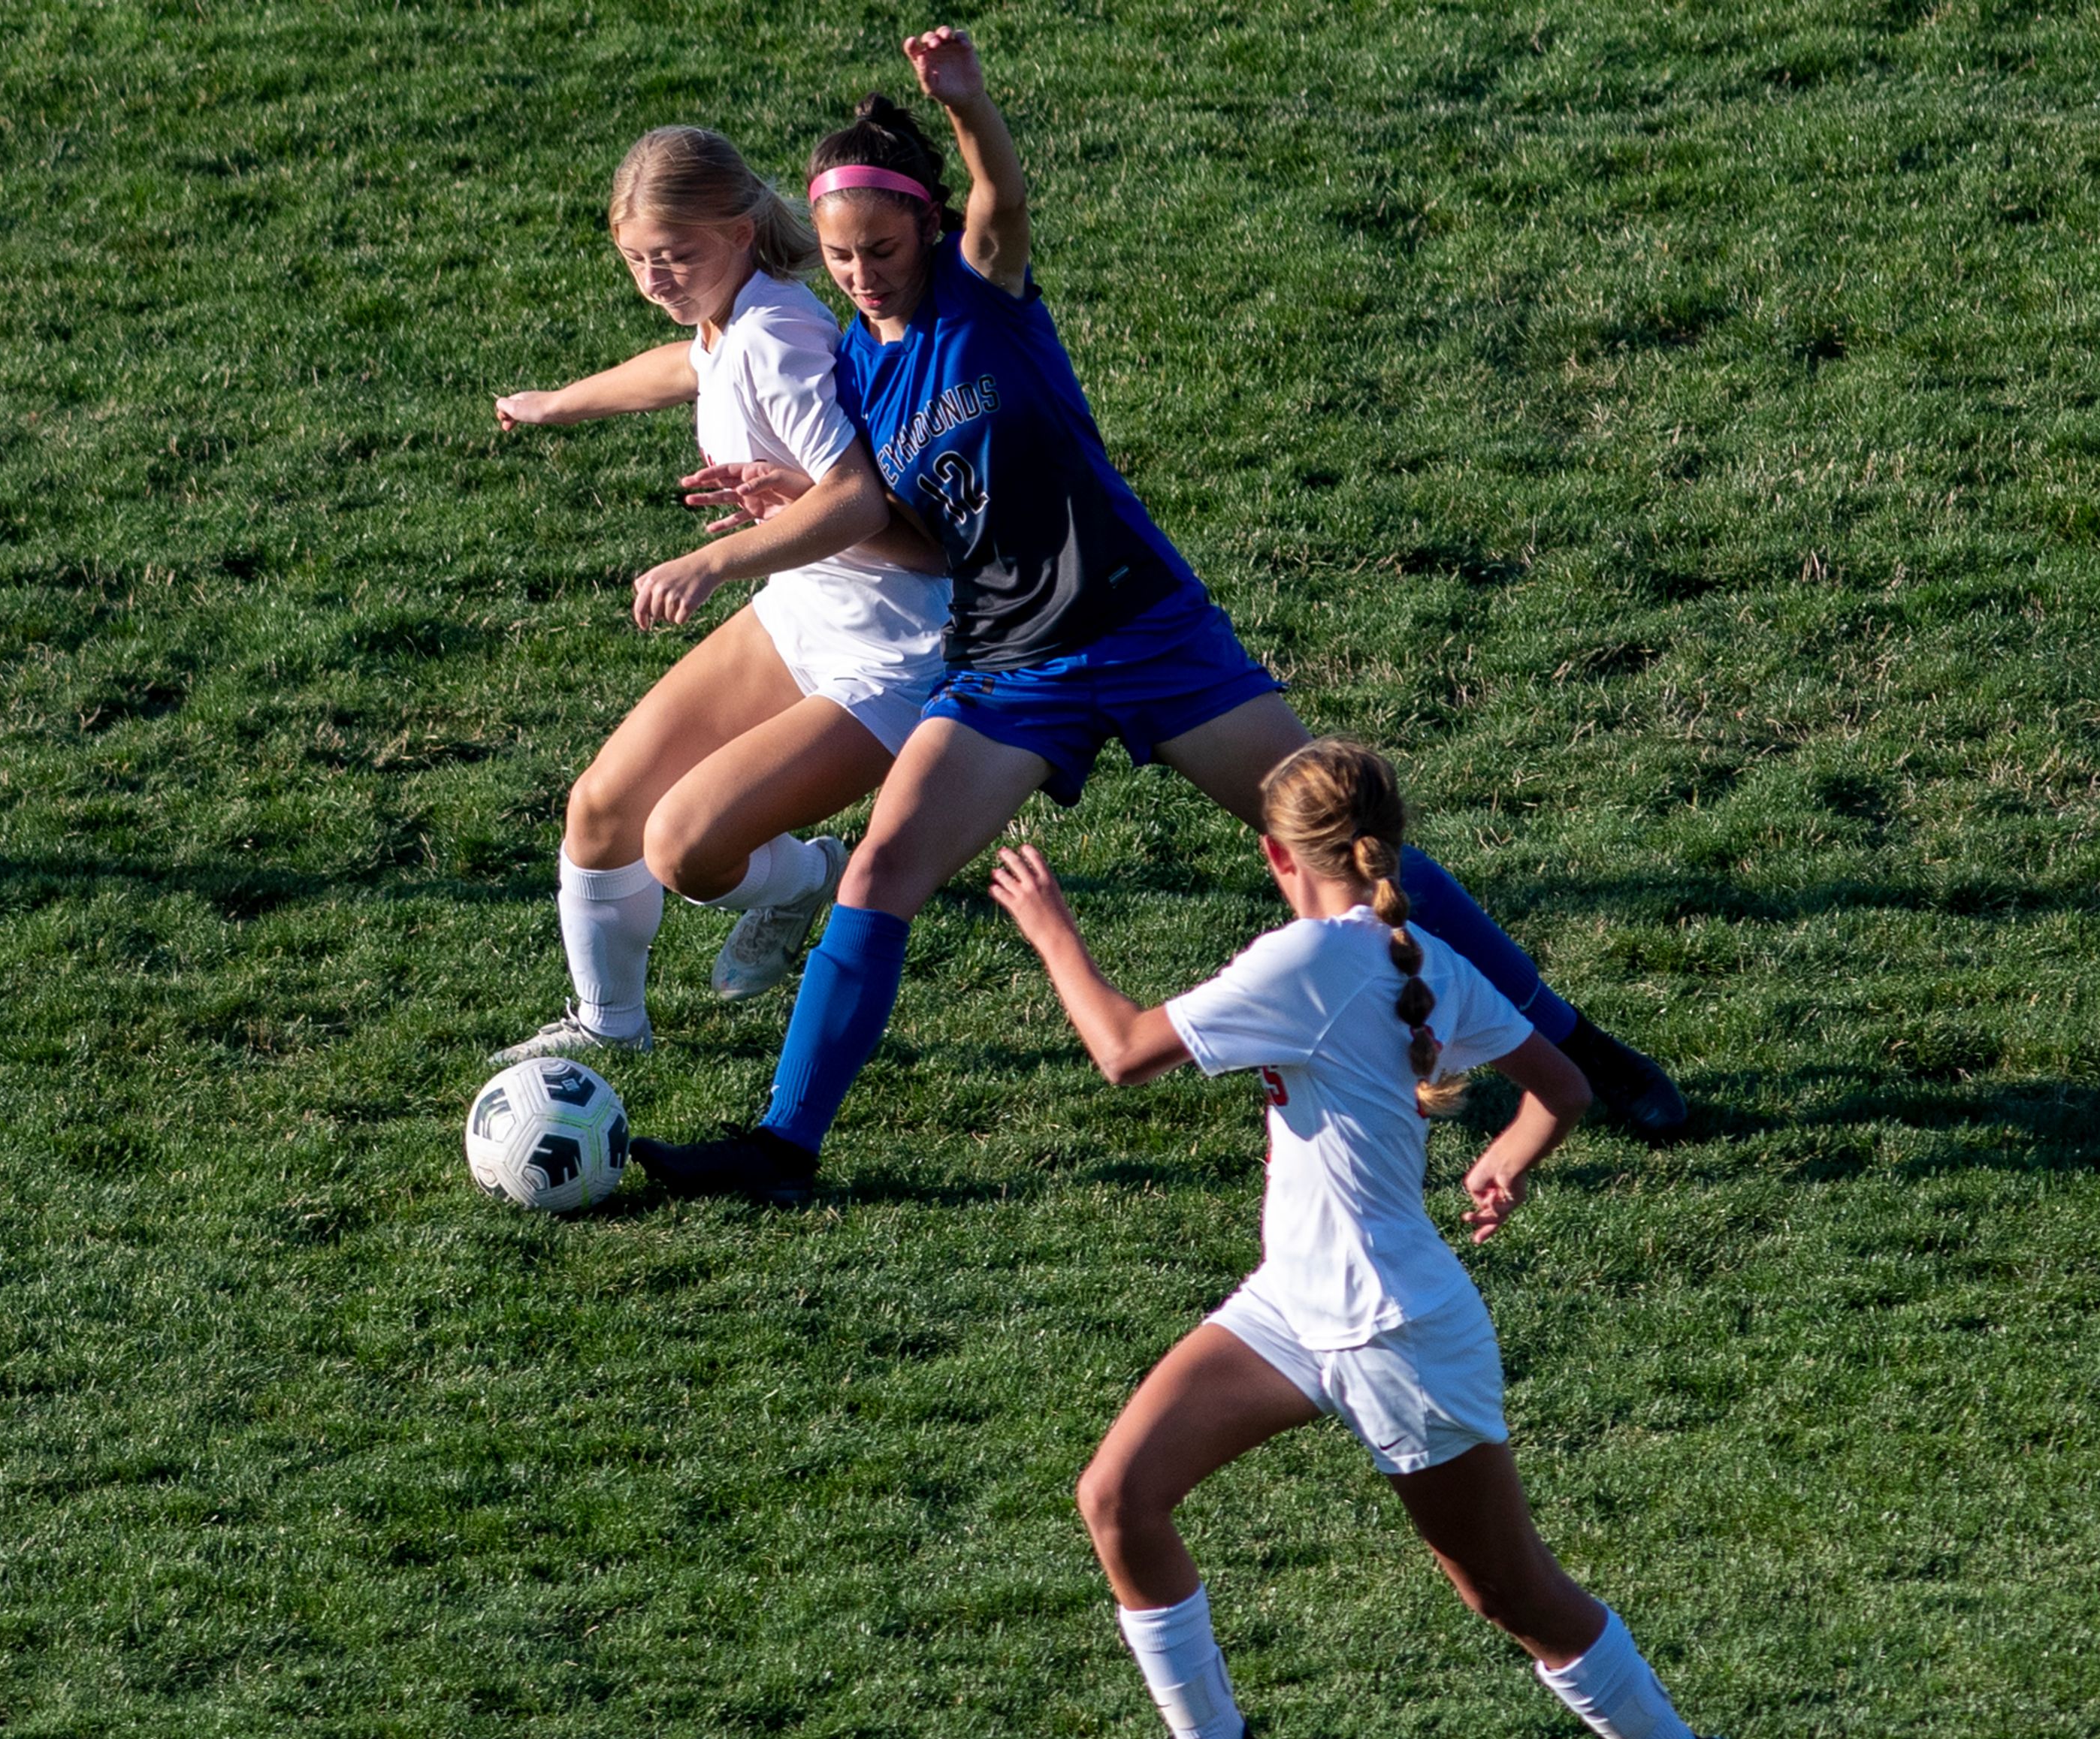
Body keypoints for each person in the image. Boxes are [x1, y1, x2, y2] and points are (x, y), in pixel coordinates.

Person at [633, 29, 1682, 1201]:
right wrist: (780, 522)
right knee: (878, 871)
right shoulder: (862, 375)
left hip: (1148, 631)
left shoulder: (986, 297)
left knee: (1346, 844)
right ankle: (785, 1147)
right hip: (1010, 665)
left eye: (881, 247)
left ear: (926, 226)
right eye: (838, 257)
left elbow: (1000, 193)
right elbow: (900, 523)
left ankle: (1581, 1050)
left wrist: (972, 105)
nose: (864, 274)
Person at [986, 738, 1748, 1739]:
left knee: (1510, 1593)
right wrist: (1510, 1156)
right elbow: (1567, 1086)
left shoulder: (1309, 959)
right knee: (1117, 1496)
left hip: (1398, 1333)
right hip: (1290, 1306)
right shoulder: (1415, 951)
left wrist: (1052, 932)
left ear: (1274, 854)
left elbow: (1124, 1051)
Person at [487, 126, 951, 1064]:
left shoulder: (777, 339)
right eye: (636, 260)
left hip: (888, 653)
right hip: (803, 611)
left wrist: (710, 564)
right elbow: (686, 367)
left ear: (740, 232)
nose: (656, 277)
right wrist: (558, 400)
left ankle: (805, 876)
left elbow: (857, 497)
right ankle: (608, 1025)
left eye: (675, 255)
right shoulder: (731, 317)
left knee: (686, 851)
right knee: (601, 811)